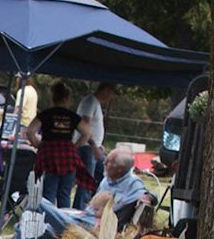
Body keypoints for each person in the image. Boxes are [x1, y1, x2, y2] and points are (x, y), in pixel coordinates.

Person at [30, 81, 84, 209]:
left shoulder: (46, 114)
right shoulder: (72, 116)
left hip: (50, 156)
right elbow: (87, 132)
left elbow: (30, 131)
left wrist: (38, 145)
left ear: (53, 98)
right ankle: (64, 225)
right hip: (68, 156)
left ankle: (48, 220)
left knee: (49, 192)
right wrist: (75, 146)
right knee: (64, 193)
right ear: (67, 99)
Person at [87, 146, 150, 228]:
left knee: (64, 219)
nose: (104, 163)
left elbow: (146, 194)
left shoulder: (133, 183)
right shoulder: (107, 179)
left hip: (99, 224)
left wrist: (149, 196)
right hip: (88, 217)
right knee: (65, 214)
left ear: (120, 168)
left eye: (109, 162)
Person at [75, 82, 116, 185]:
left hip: (94, 146)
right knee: (86, 182)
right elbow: (85, 126)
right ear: (106, 90)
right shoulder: (91, 102)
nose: (112, 97)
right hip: (88, 147)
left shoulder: (95, 102)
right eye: (112, 93)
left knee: (101, 176)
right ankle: (82, 200)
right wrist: (94, 146)